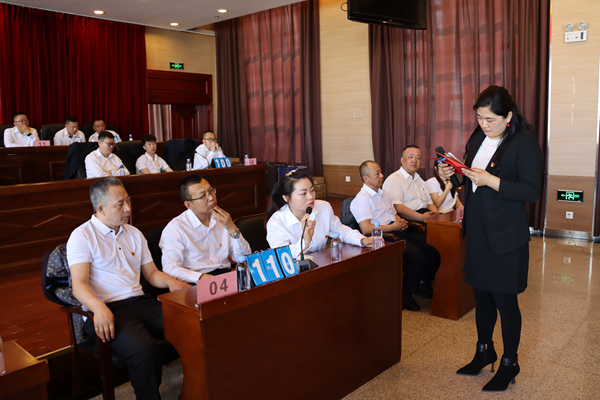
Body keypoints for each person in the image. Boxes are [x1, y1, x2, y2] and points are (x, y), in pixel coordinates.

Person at [438, 85, 543, 392]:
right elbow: (469, 182)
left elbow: (531, 191)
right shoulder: (477, 138)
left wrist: (491, 181)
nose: (484, 124)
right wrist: (451, 176)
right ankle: (484, 351)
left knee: (504, 301)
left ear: (508, 116)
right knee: (481, 297)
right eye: (480, 118)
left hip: (506, 237)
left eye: (490, 119)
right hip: (478, 232)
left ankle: (510, 362)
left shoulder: (524, 143)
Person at [66, 177, 189, 400]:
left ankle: (196, 388)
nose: (128, 209)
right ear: (101, 208)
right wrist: (98, 308)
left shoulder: (133, 233)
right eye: (120, 204)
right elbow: (79, 285)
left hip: (140, 302)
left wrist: (172, 282)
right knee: (144, 350)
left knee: (191, 327)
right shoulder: (82, 236)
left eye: (128, 201)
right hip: (108, 308)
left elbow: (151, 274)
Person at [351, 161, 440, 311]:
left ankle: (423, 283)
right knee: (418, 256)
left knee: (434, 246)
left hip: (398, 230)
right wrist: (393, 227)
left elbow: (393, 214)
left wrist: (400, 221)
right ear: (366, 178)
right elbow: (366, 229)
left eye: (381, 171)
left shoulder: (384, 194)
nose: (382, 175)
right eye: (377, 173)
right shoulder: (361, 200)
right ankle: (405, 293)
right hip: (384, 237)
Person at [160, 175, 251, 283]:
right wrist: (202, 278)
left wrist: (233, 229)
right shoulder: (176, 228)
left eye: (211, 191)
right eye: (203, 196)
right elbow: (170, 268)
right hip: (195, 281)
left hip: (225, 277)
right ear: (189, 205)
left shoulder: (222, 219)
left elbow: (244, 258)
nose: (211, 198)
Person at [266, 170, 371, 259]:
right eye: (303, 193)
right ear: (286, 198)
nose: (311, 197)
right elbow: (282, 256)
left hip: (322, 265)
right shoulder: (276, 222)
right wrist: (305, 241)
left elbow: (340, 230)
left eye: (312, 190)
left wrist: (362, 240)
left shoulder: (323, 207)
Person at [382, 145, 439, 222]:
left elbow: (429, 204)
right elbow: (397, 207)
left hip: (425, 215)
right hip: (410, 219)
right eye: (410, 157)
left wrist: (437, 216)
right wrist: (421, 217)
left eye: (418, 158)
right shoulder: (394, 179)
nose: (414, 160)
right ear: (402, 160)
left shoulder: (420, 180)